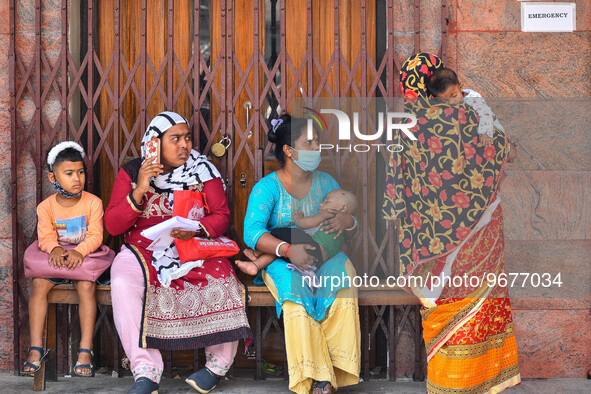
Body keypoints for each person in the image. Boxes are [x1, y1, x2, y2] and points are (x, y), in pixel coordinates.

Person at [384, 53, 520, 393]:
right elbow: (503, 151)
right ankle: (480, 379)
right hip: (478, 226)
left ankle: (447, 381)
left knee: (440, 303)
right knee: (476, 299)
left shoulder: (405, 122)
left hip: (424, 236)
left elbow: (396, 183)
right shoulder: (465, 116)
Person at [105, 111, 252, 394]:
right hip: (143, 249)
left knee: (223, 277)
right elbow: (113, 225)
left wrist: (197, 228)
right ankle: (146, 373)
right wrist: (140, 190)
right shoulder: (133, 172)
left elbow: (221, 216)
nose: (184, 145)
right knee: (123, 281)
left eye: (187, 138)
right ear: (154, 143)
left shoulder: (203, 170)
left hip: (192, 245)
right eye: (175, 139)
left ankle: (216, 367)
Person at [243, 115, 360, 394]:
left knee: (343, 280)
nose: (316, 147)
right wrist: (286, 250)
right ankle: (315, 376)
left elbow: (347, 221)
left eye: (317, 141)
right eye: (309, 142)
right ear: (288, 150)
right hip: (285, 259)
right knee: (295, 293)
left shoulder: (326, 181)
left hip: (325, 255)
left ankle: (335, 370)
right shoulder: (267, 188)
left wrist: (350, 223)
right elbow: (252, 233)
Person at [23, 142, 103, 377]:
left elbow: (96, 235)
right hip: (56, 257)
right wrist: (55, 249)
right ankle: (35, 349)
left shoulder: (93, 203)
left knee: (87, 286)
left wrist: (80, 251)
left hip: (83, 257)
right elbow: (45, 236)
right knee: (38, 285)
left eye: (80, 172)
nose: (76, 178)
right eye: (69, 173)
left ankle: (85, 350)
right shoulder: (45, 207)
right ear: (52, 177)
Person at [237, 189, 358, 280]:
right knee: (280, 250)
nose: (321, 205)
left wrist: (298, 219)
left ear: (343, 209)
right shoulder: (344, 225)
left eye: (327, 202)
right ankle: (256, 265)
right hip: (318, 260)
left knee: (279, 233)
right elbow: (351, 231)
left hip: (312, 248)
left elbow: (306, 224)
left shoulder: (330, 214)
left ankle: (257, 253)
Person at [427, 67, 505, 147]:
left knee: (498, 143)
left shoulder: (473, 99)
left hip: (489, 125)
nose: (451, 102)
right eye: (445, 101)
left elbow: (486, 114)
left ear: (460, 87)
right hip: (473, 128)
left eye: (454, 96)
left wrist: (485, 133)